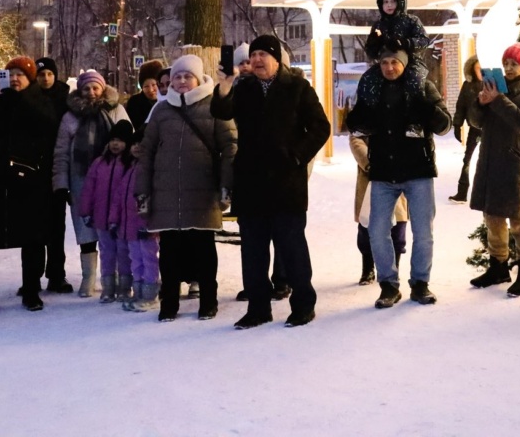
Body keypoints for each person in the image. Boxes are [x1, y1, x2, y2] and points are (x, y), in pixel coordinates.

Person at [211, 35, 330, 329]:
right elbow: (221, 111)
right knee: (253, 250)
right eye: (255, 54)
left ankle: (303, 304)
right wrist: (225, 84)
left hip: (286, 181)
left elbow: (320, 127)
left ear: (277, 59)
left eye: (265, 54)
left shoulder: (298, 87)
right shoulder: (244, 87)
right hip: (251, 182)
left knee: (292, 248)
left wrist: (296, 156)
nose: (258, 59)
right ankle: (258, 307)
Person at [345, 45, 450, 308]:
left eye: (395, 62)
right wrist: (357, 116)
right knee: (377, 230)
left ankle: (420, 283)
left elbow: (444, 125)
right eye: (384, 63)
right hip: (383, 172)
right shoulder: (373, 89)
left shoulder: (422, 86)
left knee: (423, 231)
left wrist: (425, 106)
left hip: (418, 171)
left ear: (404, 63)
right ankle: (389, 285)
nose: (389, 67)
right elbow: (358, 125)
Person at [0, 56, 63, 315]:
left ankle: (31, 291)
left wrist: (21, 98)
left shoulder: (40, 101)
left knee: (32, 239)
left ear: (29, 79)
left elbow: (48, 124)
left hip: (29, 182)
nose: (15, 78)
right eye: (10, 74)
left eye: (21, 74)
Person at [136, 55, 236, 322]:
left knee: (203, 250)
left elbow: (230, 147)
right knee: (169, 253)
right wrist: (142, 191)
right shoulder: (161, 110)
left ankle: (208, 301)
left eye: (187, 76)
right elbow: (146, 153)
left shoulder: (214, 106)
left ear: (198, 78)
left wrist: (227, 186)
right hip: (166, 194)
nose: (181, 81)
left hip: (203, 192)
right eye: (177, 76)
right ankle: (169, 303)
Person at [467, 42, 520, 298]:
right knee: (492, 216)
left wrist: (498, 100)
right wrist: (481, 104)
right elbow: (476, 122)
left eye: (514, 63)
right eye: (506, 64)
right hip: (491, 160)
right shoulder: (496, 86)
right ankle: (498, 266)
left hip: (517, 162)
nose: (509, 68)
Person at [54, 69, 129, 298]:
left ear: (103, 88)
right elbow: (61, 153)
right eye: (86, 88)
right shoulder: (70, 117)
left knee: (112, 226)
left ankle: (113, 275)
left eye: (95, 87)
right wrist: (61, 183)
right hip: (81, 178)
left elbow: (129, 141)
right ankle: (88, 277)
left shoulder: (116, 110)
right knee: (85, 227)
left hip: (112, 178)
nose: (91, 92)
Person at [76, 119, 138, 304]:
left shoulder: (130, 164)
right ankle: (108, 287)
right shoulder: (99, 163)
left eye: (120, 140)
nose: (115, 144)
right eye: (113, 140)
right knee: (107, 253)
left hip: (122, 219)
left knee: (124, 253)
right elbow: (88, 189)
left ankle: (125, 287)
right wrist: (85, 211)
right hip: (101, 218)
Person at [32, 56, 73, 294]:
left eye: (49, 74)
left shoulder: (65, 98)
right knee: (35, 227)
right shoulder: (30, 98)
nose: (45, 78)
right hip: (34, 171)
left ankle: (57, 274)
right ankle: (33, 275)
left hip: (58, 169)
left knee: (57, 227)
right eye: (41, 75)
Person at [350, 131, 408, 285]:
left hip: (398, 173)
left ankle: (395, 267)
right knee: (367, 223)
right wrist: (370, 163)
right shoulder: (367, 108)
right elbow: (356, 139)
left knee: (398, 225)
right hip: (371, 176)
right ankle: (368, 268)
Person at [120, 128, 161, 313]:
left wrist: (151, 221)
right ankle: (138, 291)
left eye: (140, 144)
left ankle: (150, 293)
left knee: (149, 258)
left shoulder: (151, 168)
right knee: (135, 258)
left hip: (145, 223)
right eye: (134, 144)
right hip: (129, 225)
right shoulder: (129, 168)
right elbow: (120, 198)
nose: (137, 147)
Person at [448, 56, 482, 203]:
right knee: (468, 160)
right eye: (478, 69)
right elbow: (460, 106)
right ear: (473, 70)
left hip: (493, 130)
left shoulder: (495, 85)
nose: (482, 72)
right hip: (475, 130)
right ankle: (462, 192)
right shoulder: (468, 86)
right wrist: (457, 124)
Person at [125, 60, 168, 129]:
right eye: (146, 86)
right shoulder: (134, 103)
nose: (151, 90)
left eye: (154, 85)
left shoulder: (168, 101)